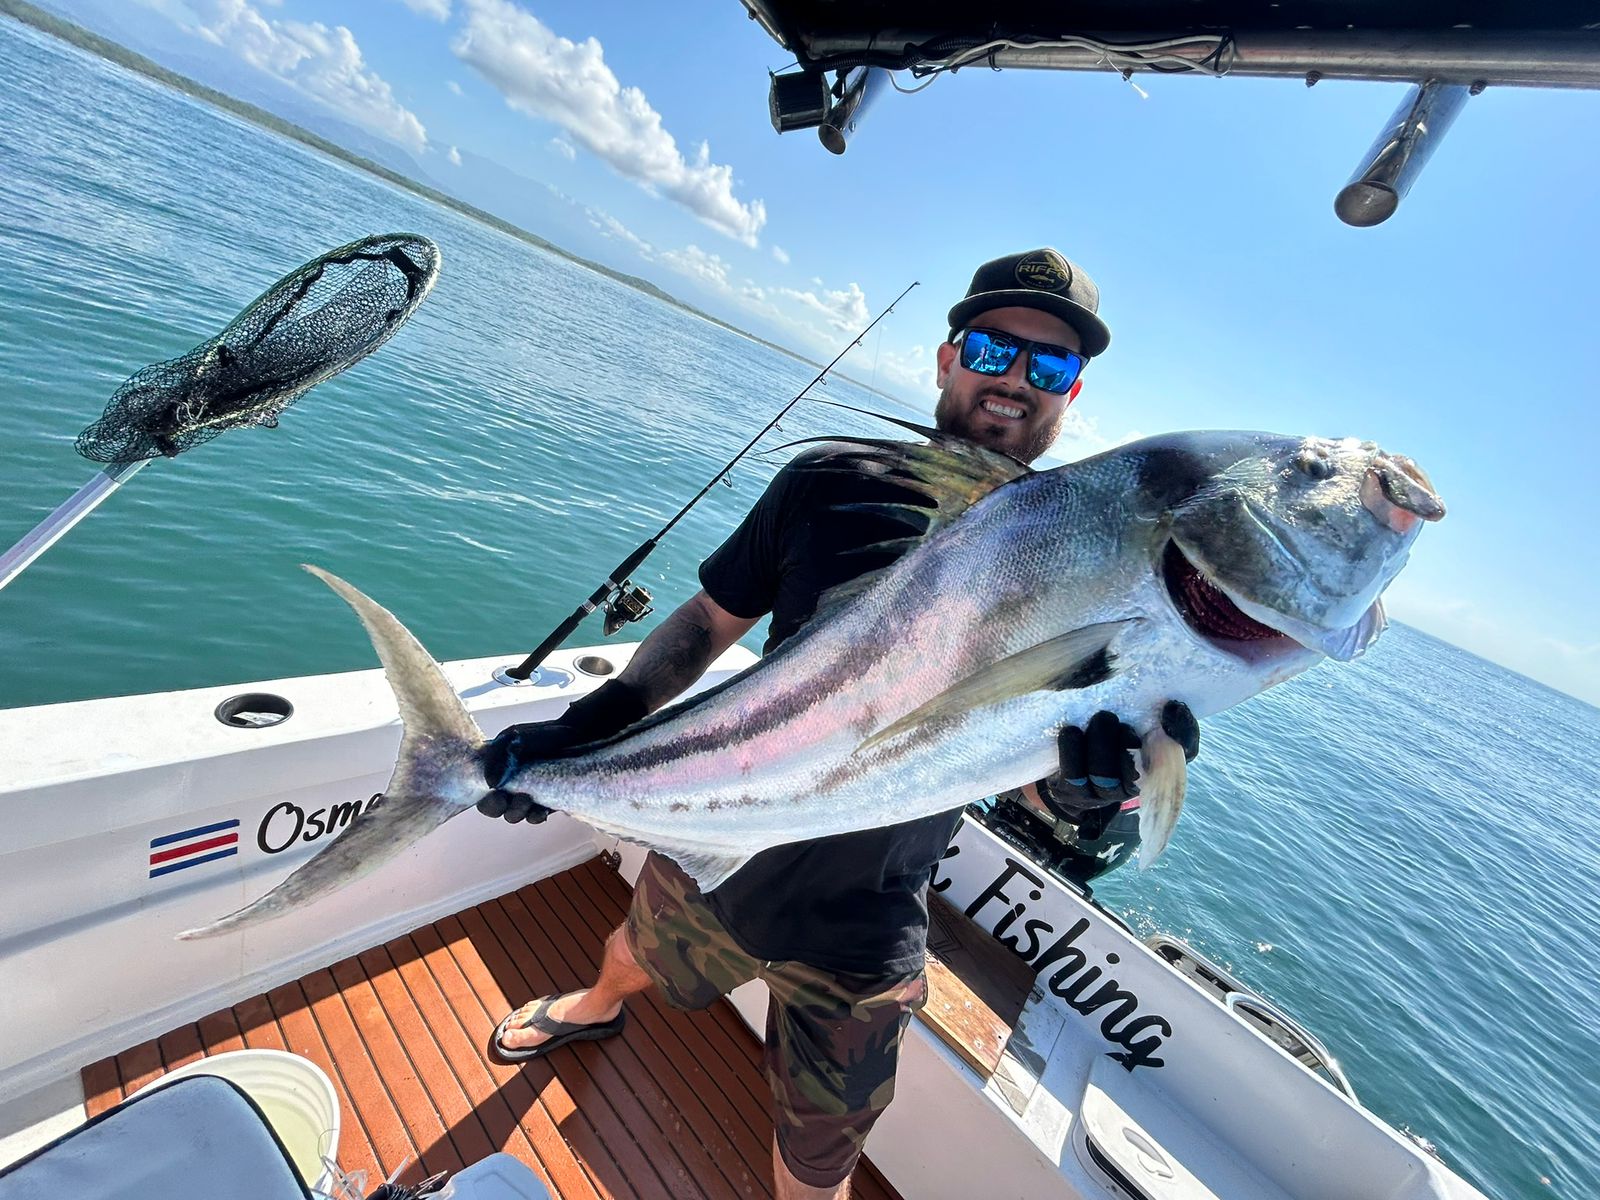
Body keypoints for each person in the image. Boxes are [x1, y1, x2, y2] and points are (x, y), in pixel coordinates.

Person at [477, 249, 1199, 1199]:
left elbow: (1011, 752)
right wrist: (594, 720)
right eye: (994, 346)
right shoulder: (828, 479)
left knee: (823, 1153)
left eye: (1050, 365)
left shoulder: (1080, 555)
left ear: (1073, 395)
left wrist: (1077, 795)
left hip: (875, 913)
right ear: (948, 358)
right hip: (722, 836)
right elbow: (706, 621)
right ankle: (594, 1006)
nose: (1015, 379)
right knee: (631, 953)